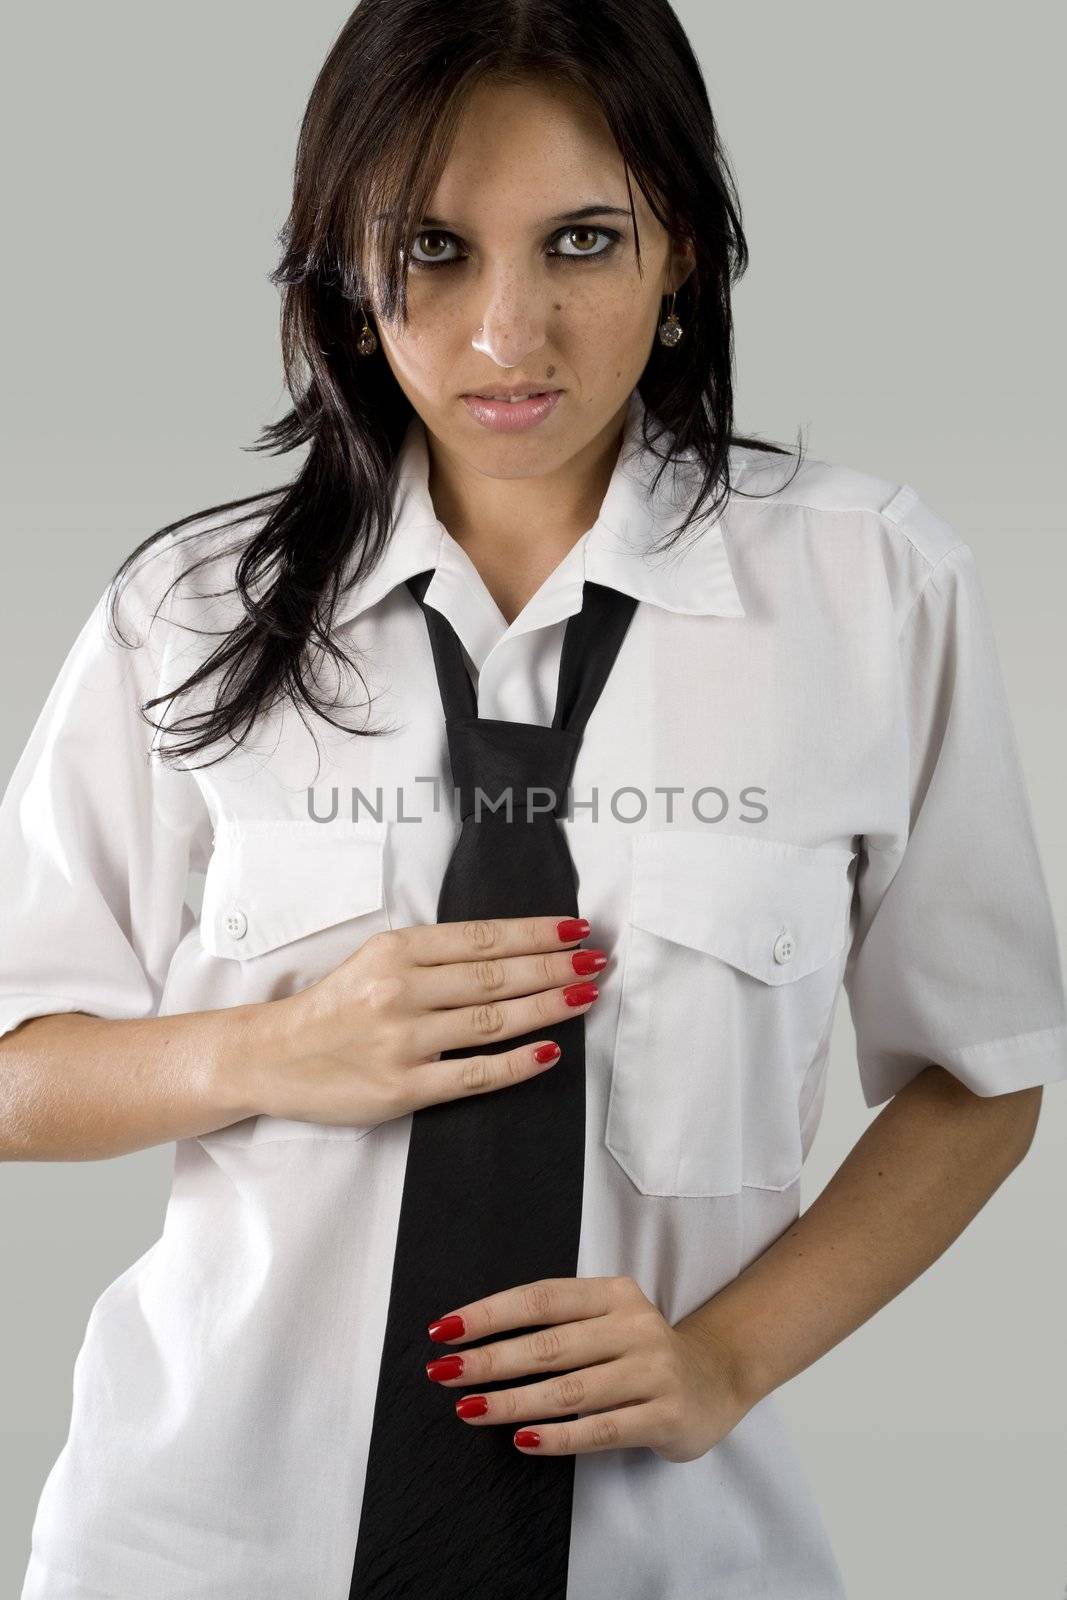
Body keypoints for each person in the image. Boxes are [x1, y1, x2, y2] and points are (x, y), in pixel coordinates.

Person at [2, 2, 1065, 1596]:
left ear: (685, 242)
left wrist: (727, 1359)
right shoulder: (188, 609)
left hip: (669, 1559)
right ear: (346, 274)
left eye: (581, 240)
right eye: (432, 250)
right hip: (198, 1546)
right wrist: (268, 1049)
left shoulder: (874, 590)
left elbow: (984, 1072)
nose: (511, 334)